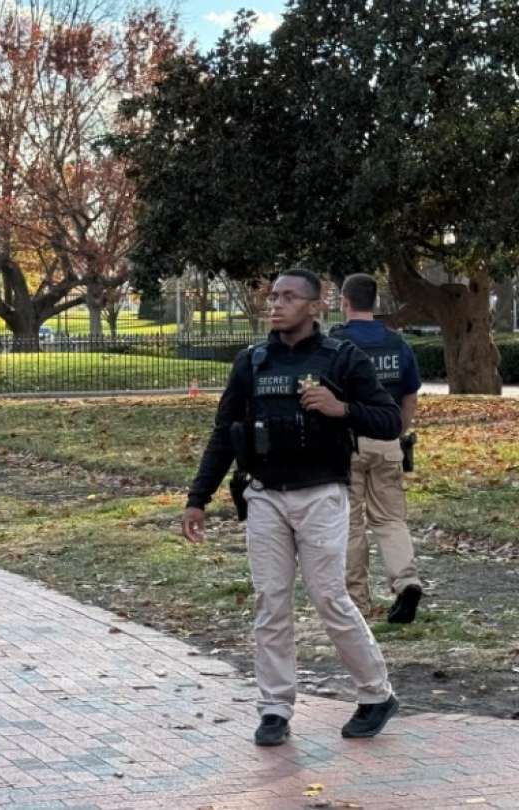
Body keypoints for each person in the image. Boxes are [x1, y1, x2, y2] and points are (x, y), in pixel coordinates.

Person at [181, 268, 401, 747]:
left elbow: (388, 421)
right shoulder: (252, 361)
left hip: (321, 493)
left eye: (288, 297)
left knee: (329, 598)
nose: (275, 304)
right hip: (264, 495)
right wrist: (198, 498)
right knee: (270, 602)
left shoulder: (343, 359)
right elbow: (224, 433)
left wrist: (341, 408)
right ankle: (275, 708)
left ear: (316, 305)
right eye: (272, 296)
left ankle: (376, 693)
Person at [330, 274, 423, 623]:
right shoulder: (397, 344)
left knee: (350, 525)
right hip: (387, 442)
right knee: (390, 520)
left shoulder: (336, 344)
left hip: (348, 441)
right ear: (375, 303)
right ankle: (406, 581)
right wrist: (399, 427)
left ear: (345, 302)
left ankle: (356, 603)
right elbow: (411, 393)